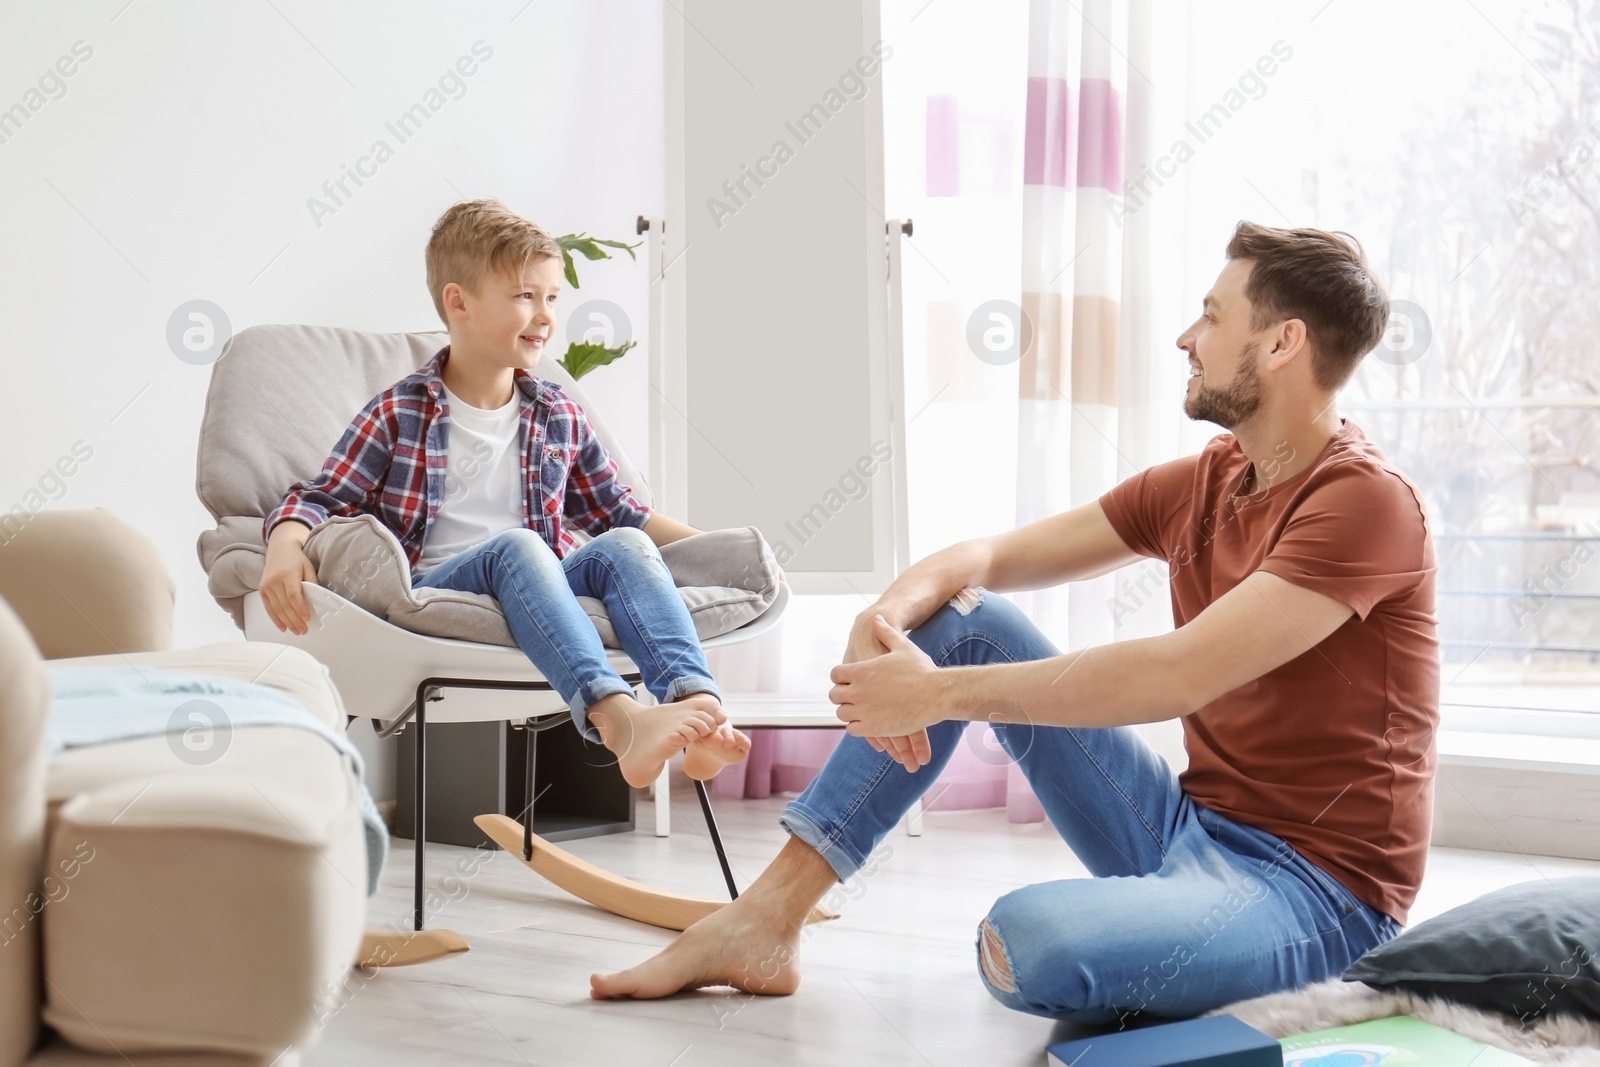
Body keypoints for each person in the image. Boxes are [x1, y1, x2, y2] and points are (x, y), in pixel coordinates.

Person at [590, 221, 1439, 1025]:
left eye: (1212, 317)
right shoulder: (1213, 478)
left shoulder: (1362, 502)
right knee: (967, 619)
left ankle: (1240, 951)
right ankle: (766, 919)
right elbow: (983, 560)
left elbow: (1177, 672)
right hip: (1185, 825)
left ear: (1282, 343)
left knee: (1026, 942)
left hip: (1316, 890)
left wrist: (935, 694)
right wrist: (880, 617)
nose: (1187, 336)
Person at [259, 198, 752, 787]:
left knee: (622, 544)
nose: (544, 315)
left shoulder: (558, 412)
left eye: (551, 298)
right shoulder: (401, 411)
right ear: (458, 302)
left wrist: (715, 550)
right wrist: (285, 549)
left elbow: (623, 513)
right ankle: (619, 721)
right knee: (518, 547)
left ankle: (700, 711)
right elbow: (318, 497)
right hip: (442, 580)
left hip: (539, 575)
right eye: (524, 296)